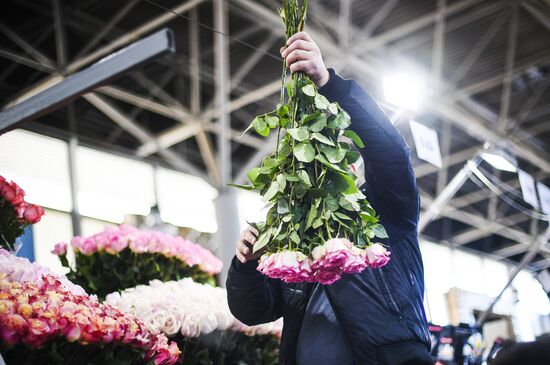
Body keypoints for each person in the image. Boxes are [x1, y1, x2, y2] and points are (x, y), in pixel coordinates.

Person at [226, 31, 432, 365]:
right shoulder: (291, 239)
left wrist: (328, 82)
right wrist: (246, 267)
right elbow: (253, 312)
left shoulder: (387, 215)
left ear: (351, 169)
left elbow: (391, 154)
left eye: (332, 163)